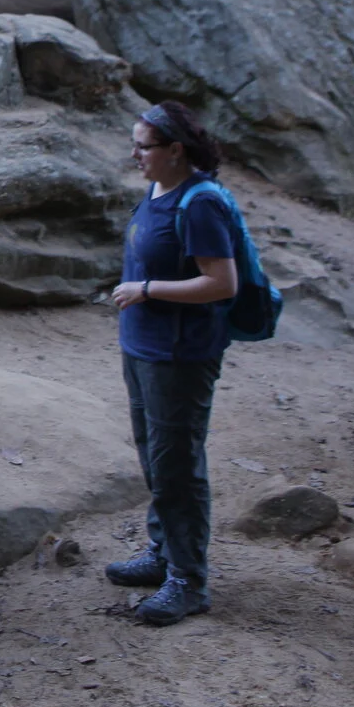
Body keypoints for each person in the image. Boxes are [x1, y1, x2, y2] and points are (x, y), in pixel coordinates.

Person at [105, 99, 240, 626]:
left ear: (175, 151)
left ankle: (189, 580)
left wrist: (147, 289)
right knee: (156, 458)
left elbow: (221, 282)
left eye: (144, 146)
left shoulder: (200, 203)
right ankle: (164, 554)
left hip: (180, 355)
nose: (134, 154)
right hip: (143, 348)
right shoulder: (158, 189)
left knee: (178, 465)